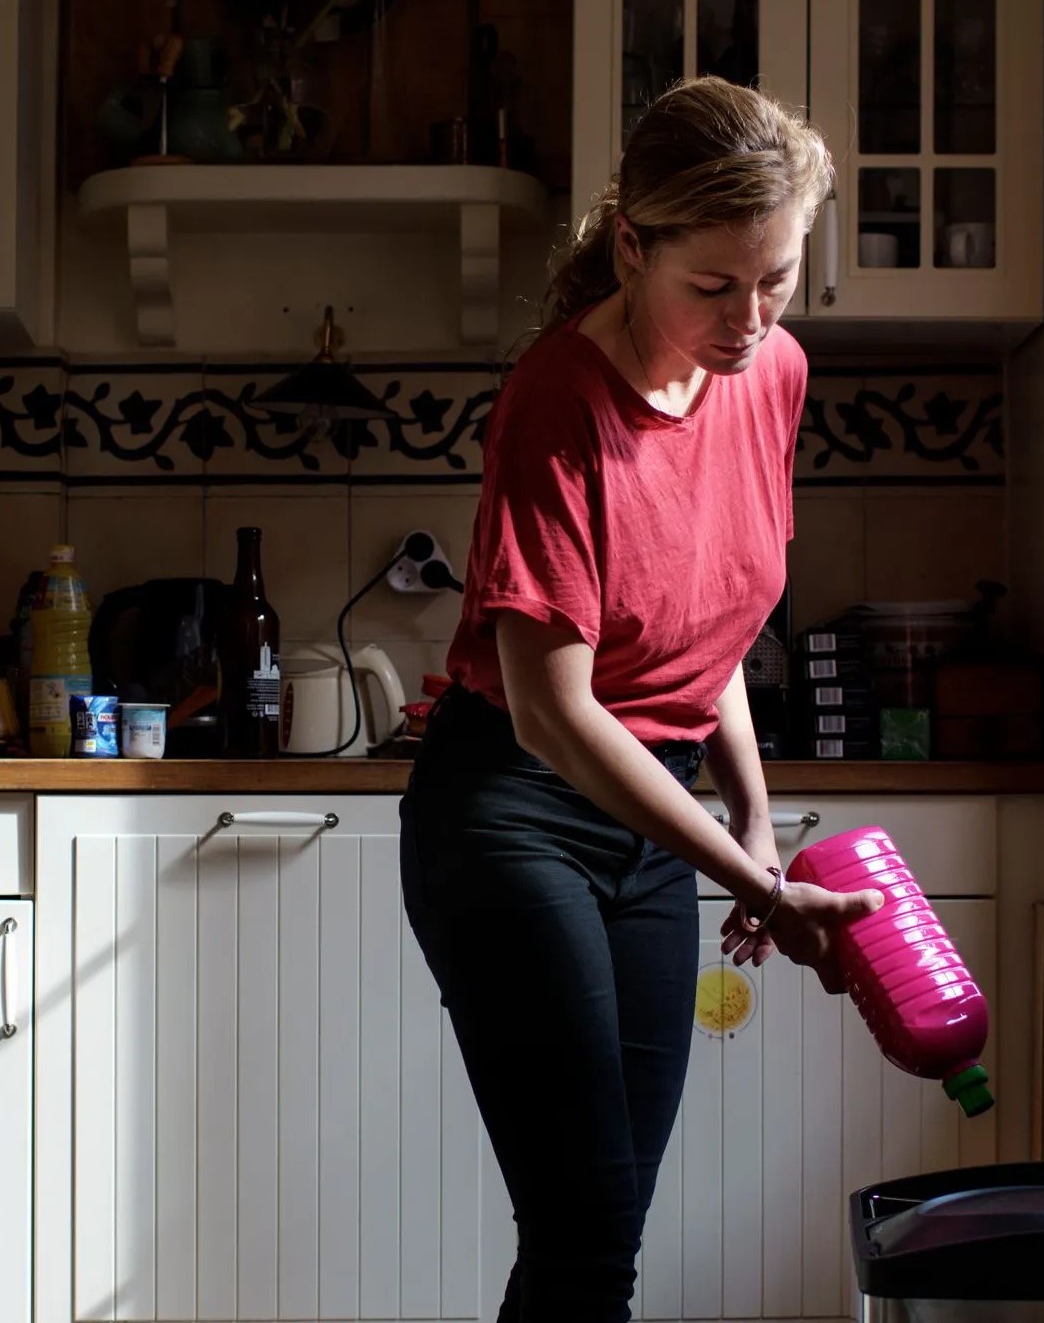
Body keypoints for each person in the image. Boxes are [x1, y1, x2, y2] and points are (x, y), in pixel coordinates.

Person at [398, 75, 884, 1323]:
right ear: (633, 244)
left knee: (601, 1230)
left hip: (656, 818)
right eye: (712, 286)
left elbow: (704, 621)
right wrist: (751, 879)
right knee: (584, 1234)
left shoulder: (771, 371)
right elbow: (553, 710)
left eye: (775, 279)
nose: (748, 317)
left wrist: (758, 828)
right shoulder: (558, 402)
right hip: (512, 809)